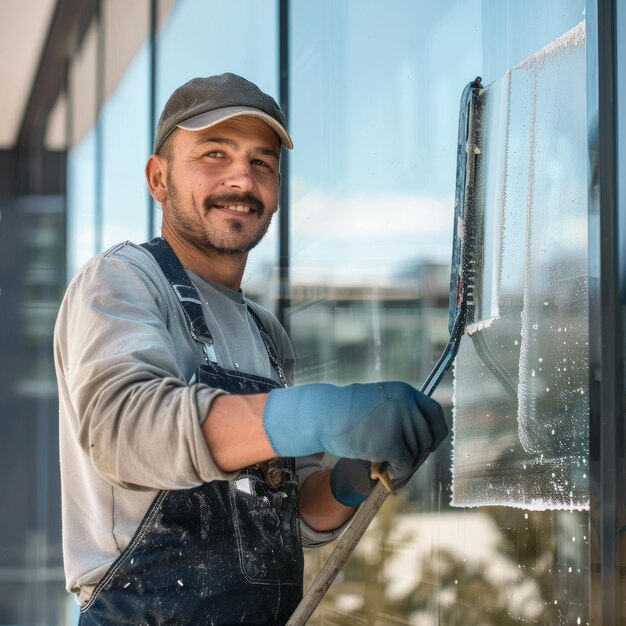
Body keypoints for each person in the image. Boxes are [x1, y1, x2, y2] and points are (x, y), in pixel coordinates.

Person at [54, 72, 448, 625]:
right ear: (158, 178)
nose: (241, 177)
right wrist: (317, 412)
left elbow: (292, 519)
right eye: (214, 153)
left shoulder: (267, 332)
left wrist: (353, 476)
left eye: (261, 162)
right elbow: (124, 431)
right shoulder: (122, 282)